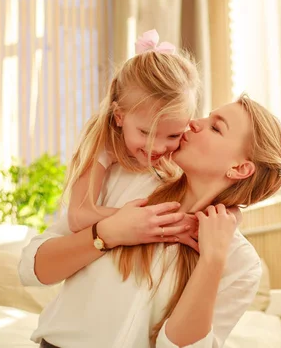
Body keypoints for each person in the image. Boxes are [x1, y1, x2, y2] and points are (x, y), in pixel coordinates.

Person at [19, 94, 281, 348]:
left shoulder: (241, 264)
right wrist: (108, 233)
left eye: (216, 127)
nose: (194, 123)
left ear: (240, 168)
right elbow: (33, 270)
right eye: (206, 117)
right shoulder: (127, 179)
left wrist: (212, 260)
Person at [65, 29, 200, 236]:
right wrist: (142, 219)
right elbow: (78, 216)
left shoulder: (186, 147)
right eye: (146, 132)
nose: (157, 147)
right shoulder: (104, 144)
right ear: (119, 116)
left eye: (173, 135)